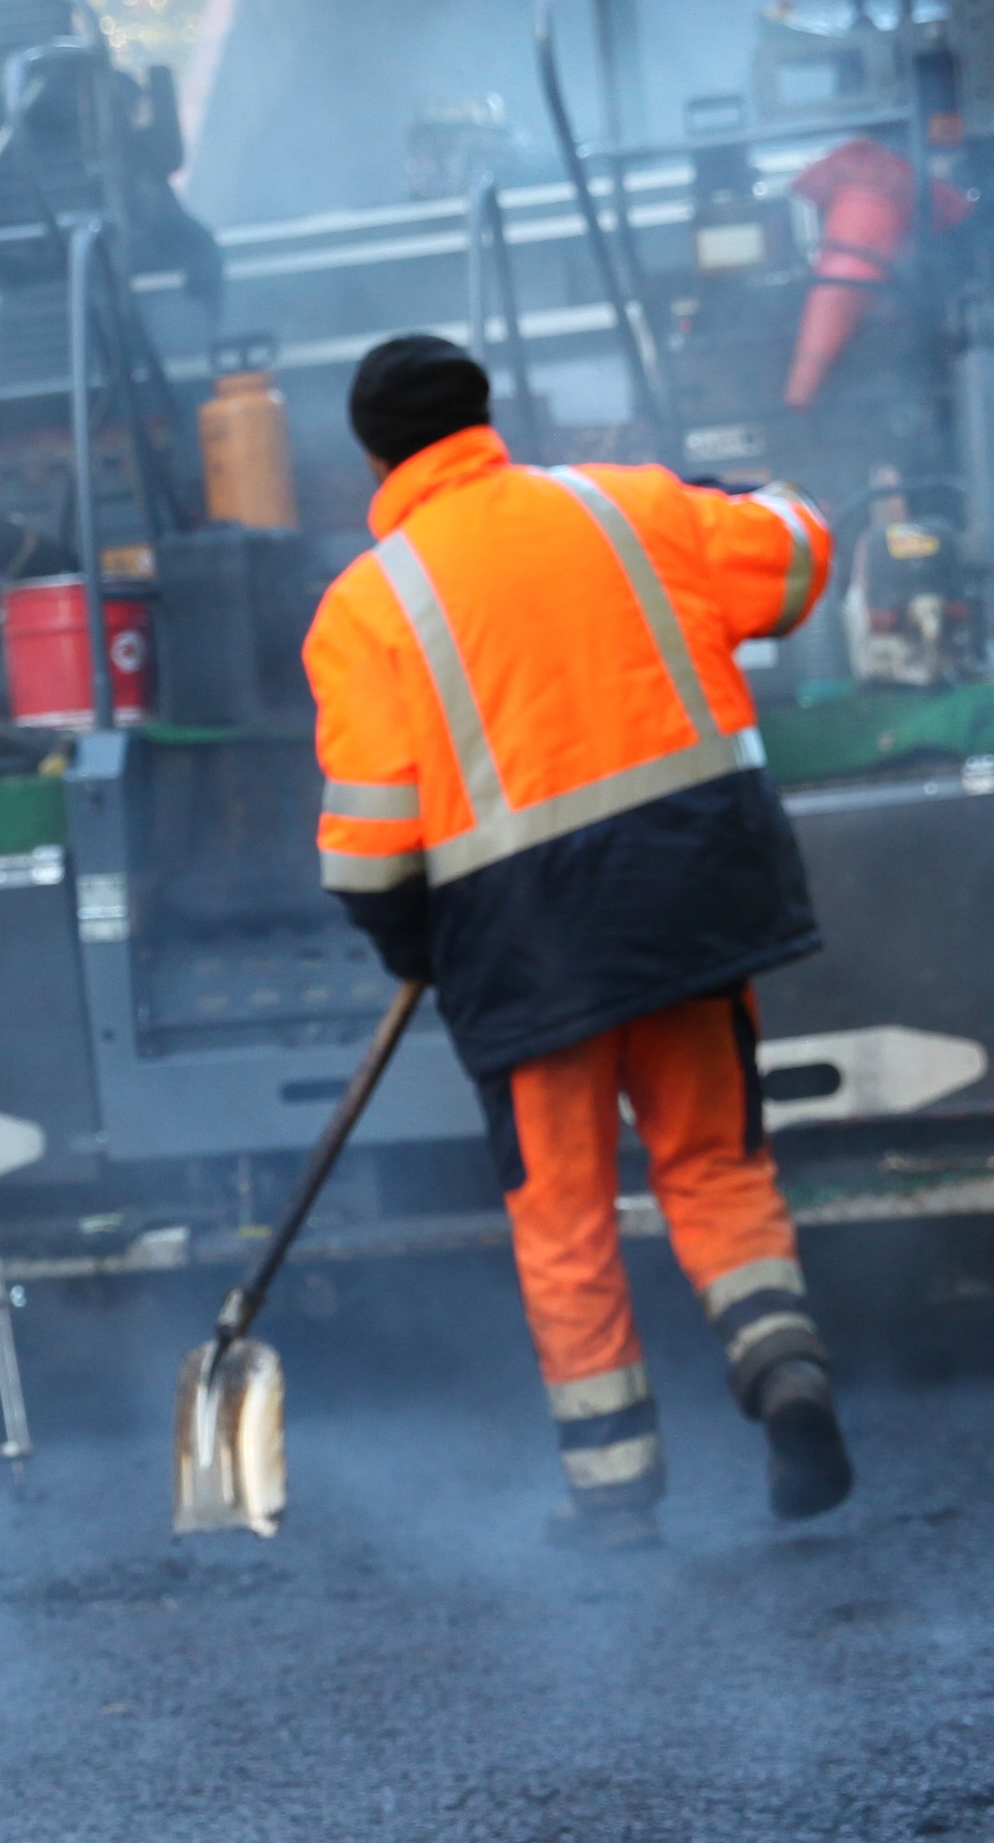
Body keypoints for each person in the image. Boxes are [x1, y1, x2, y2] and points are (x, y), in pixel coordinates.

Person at [305, 335, 852, 1547]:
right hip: (693, 899)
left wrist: (411, 944)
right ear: (485, 412)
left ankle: (613, 1500)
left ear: (374, 456)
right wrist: (731, 489)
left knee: (563, 1222)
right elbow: (802, 549)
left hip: (524, 946)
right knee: (714, 1166)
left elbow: (367, 841)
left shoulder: (365, 605)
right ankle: (784, 1368)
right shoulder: (631, 504)